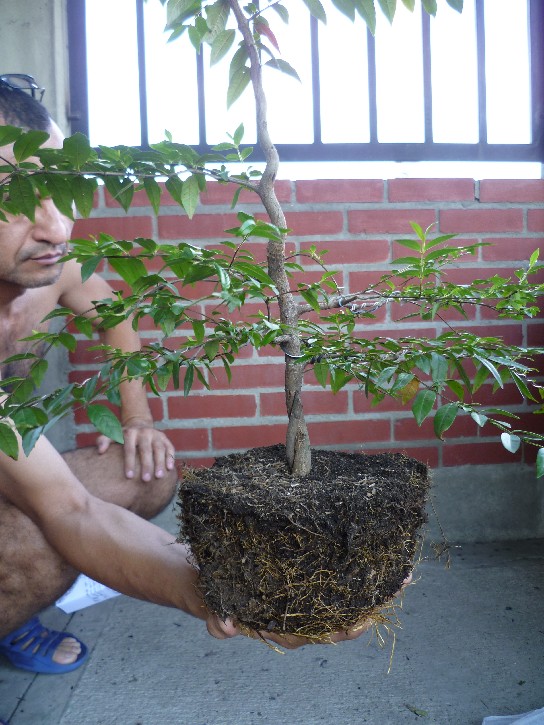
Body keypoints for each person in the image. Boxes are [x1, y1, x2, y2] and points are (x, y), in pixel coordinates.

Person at [0, 76, 406, 688]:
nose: (57, 227)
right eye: (11, 192)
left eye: (63, 189)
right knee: (36, 542)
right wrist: (216, 587)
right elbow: (68, 509)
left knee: (147, 469)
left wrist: (136, 420)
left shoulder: (55, 269)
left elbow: (116, 313)